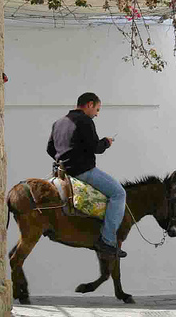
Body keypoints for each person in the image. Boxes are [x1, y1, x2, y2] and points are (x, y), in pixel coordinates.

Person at [47, 92, 127, 258]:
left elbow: (50, 149)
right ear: (89, 104)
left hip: (61, 172)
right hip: (83, 172)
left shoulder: (58, 123)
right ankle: (107, 241)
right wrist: (106, 142)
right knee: (119, 193)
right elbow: (95, 147)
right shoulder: (85, 121)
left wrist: (65, 158)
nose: (97, 114)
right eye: (97, 109)